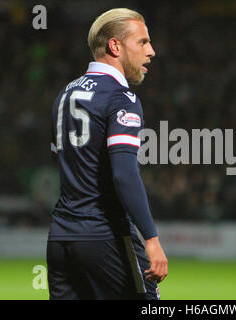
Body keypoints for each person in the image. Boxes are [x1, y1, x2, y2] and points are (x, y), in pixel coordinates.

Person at [46, 8, 168, 300]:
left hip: (61, 237)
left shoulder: (65, 94)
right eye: (142, 42)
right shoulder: (120, 97)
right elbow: (124, 173)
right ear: (115, 46)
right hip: (105, 237)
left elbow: (65, 162)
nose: (151, 51)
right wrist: (151, 239)